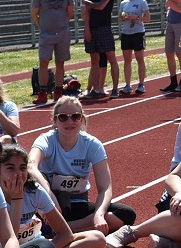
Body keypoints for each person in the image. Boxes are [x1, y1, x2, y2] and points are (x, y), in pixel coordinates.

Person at [0, 144, 104, 248]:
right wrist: (17, 199)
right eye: (10, 168)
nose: (18, 174)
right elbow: (9, 239)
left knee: (97, 237)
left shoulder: (34, 191)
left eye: (22, 168)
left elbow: (65, 234)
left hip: (37, 247)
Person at [28, 96, 136, 235]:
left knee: (126, 214)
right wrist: (50, 197)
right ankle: (61, 227)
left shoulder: (92, 144)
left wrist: (99, 215)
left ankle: (60, 229)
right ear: (55, 120)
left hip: (77, 204)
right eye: (63, 117)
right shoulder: (46, 140)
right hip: (47, 206)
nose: (70, 122)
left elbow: (105, 188)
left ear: (82, 119)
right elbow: (30, 165)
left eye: (75, 117)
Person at [105, 160, 181, 248]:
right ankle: (132, 232)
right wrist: (178, 192)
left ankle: (171, 245)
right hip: (175, 205)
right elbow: (174, 176)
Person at [31, 0, 75, 104]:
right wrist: (42, 27)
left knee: (60, 63)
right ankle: (42, 93)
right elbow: (34, 13)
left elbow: (70, 12)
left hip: (62, 33)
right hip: (46, 34)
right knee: (43, 62)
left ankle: (58, 91)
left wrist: (61, 25)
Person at [81, 0, 119, 100]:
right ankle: (96, 89)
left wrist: (87, 2)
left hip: (104, 27)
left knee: (111, 57)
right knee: (94, 60)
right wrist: (87, 29)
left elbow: (102, 6)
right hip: (92, 27)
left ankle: (115, 89)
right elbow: (87, 13)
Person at [118, 0, 150, 96]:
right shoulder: (123, 3)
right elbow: (119, 18)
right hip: (126, 33)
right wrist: (123, 18)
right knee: (127, 60)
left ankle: (141, 84)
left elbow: (147, 18)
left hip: (137, 33)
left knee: (140, 59)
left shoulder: (142, 2)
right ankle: (127, 85)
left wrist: (136, 17)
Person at [161, 0, 181, 94]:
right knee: (169, 52)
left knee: (180, 53)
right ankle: (173, 81)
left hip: (180, 21)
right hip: (171, 20)